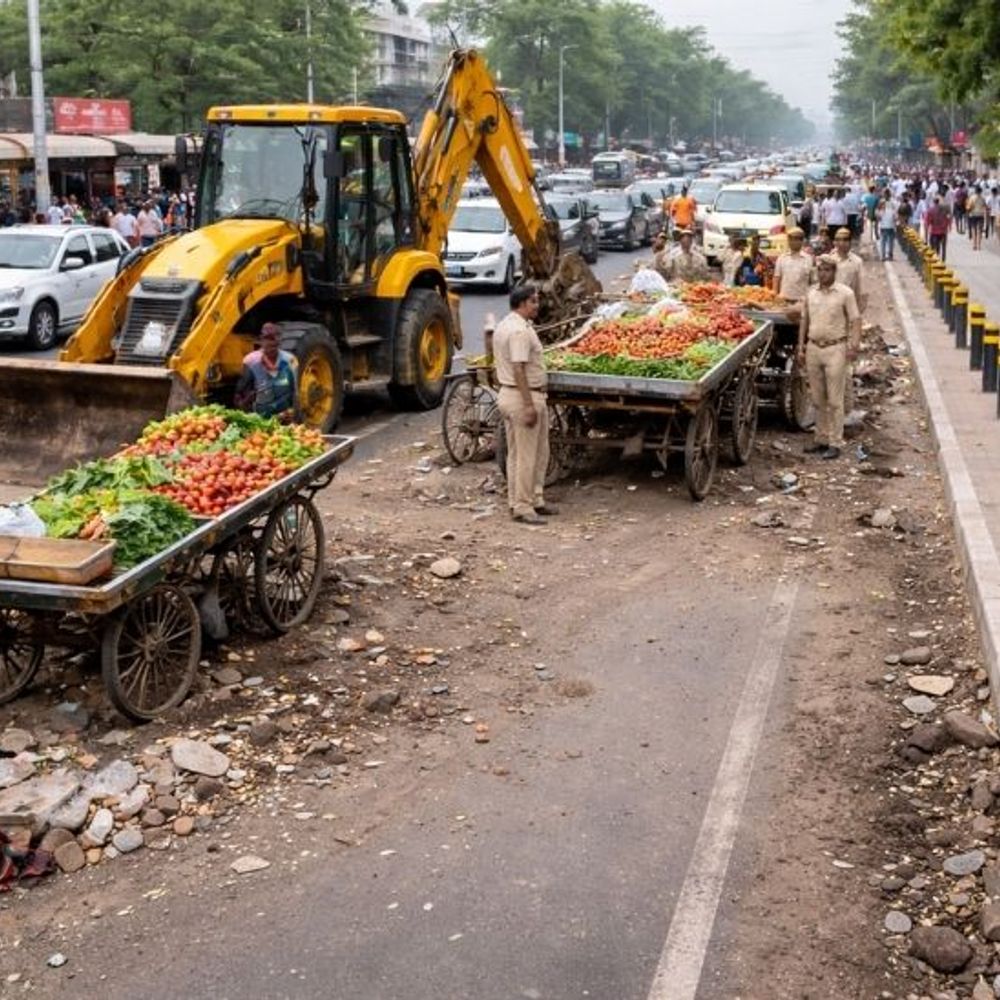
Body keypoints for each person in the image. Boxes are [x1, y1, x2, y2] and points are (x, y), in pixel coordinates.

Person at [494, 284, 556, 525]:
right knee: (528, 455)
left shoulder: (504, 325)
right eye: (534, 302)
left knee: (520, 453)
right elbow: (519, 368)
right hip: (523, 397)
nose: (537, 306)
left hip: (509, 395)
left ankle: (529, 499)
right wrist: (529, 405)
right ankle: (523, 506)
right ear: (522, 304)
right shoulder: (519, 331)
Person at [796, 255, 861, 460]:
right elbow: (804, 321)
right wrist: (801, 346)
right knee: (817, 398)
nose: (823, 273)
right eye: (820, 270)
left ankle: (835, 441)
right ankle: (821, 438)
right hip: (814, 348)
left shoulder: (845, 294)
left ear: (834, 272)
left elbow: (856, 320)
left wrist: (853, 346)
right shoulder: (811, 293)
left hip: (836, 349)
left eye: (827, 270)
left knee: (834, 399)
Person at [234, 323, 299, 422]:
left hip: (284, 417)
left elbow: (295, 391)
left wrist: (294, 414)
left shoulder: (290, 360)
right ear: (261, 340)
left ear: (279, 341)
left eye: (275, 338)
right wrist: (246, 417)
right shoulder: (251, 361)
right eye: (267, 338)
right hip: (259, 419)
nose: (271, 343)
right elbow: (240, 393)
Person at [773, 227, 813, 319]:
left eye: (797, 239)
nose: (794, 241)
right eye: (791, 239)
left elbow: (812, 281)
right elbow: (776, 278)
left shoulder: (809, 259)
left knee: (800, 329)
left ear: (802, 241)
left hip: (801, 302)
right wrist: (775, 295)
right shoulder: (782, 258)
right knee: (782, 329)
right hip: (784, 302)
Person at [926, 196, 951, 260]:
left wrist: (927, 230)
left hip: (934, 231)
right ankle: (943, 259)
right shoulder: (944, 210)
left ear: (933, 202)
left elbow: (928, 221)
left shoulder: (930, 210)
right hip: (943, 231)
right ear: (938, 202)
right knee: (943, 246)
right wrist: (948, 226)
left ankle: (936, 258)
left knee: (934, 246)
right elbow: (948, 218)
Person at [876, 194, 898, 262]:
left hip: (883, 228)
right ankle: (890, 256)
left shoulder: (880, 212)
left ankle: (883, 256)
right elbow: (895, 219)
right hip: (891, 227)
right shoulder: (892, 210)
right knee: (890, 242)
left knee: (883, 242)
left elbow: (878, 220)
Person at [966, 184, 987, 251]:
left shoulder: (972, 198)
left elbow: (968, 207)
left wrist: (968, 211)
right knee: (979, 231)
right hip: (980, 215)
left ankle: (974, 245)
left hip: (973, 215)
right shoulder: (983, 198)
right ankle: (979, 245)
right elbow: (985, 206)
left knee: (974, 230)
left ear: (975, 191)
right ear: (980, 191)